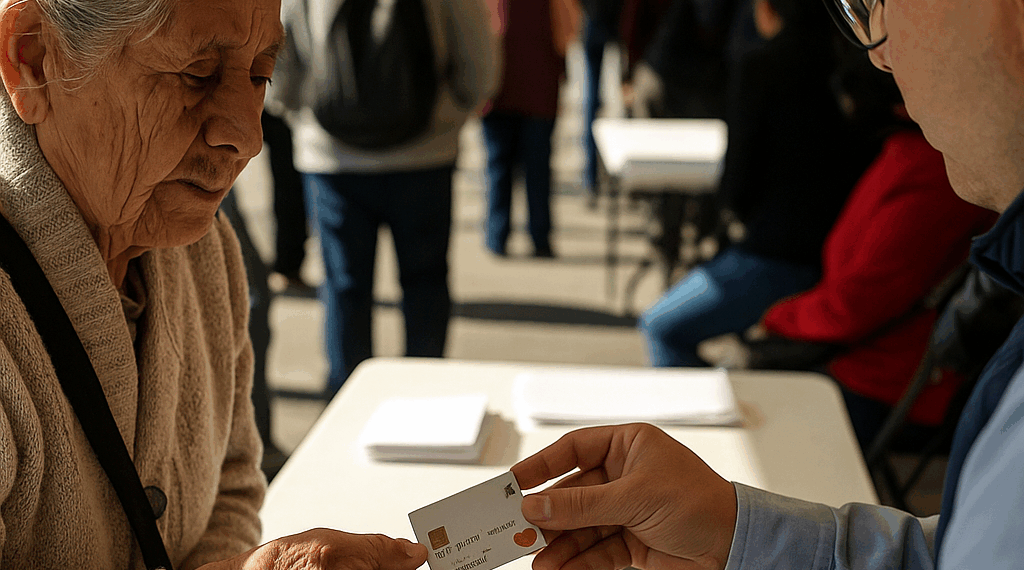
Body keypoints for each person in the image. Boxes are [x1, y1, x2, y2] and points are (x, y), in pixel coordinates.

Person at [511, 0, 1024, 566]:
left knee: (664, 325)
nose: (881, 55)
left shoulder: (920, 174)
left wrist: (777, 319)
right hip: (827, 326)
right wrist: (735, 533)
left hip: (842, 355)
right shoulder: (904, 156)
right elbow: (957, 553)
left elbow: (852, 294)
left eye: (880, 3)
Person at [0, 0, 429, 568]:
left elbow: (230, 486)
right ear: (33, 59)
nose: (247, 137)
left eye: (259, 76)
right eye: (195, 74)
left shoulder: (202, 245)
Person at [749, 51, 997, 450]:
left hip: (879, 380)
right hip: (860, 361)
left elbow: (859, 303)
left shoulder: (934, 172)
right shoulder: (911, 154)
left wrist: (782, 317)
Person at [271, 0, 498, 395]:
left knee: (344, 288)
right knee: (425, 283)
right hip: (425, 157)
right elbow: (480, 70)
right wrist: (447, 117)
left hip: (332, 160)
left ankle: (347, 405)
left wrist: (304, 116)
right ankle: (424, 401)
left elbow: (280, 62)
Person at [637, 0, 876, 368]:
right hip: (843, 256)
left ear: (767, 9)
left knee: (661, 326)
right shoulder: (856, 69)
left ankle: (694, 421)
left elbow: (737, 182)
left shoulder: (761, 66)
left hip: (775, 254)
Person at [480, 0, 572, 258]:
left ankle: (496, 236)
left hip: (499, 88)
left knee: (499, 167)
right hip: (537, 91)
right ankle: (539, 237)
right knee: (537, 170)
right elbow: (567, 31)